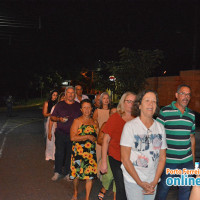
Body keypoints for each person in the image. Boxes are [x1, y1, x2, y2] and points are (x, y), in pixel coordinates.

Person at [120, 90, 167, 200]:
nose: (151, 104)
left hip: (152, 181)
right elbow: (125, 159)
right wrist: (140, 183)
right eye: (147, 101)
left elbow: (162, 158)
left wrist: (155, 181)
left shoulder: (160, 128)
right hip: (133, 180)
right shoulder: (130, 127)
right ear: (139, 105)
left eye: (154, 101)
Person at [155, 84, 195, 200]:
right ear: (176, 95)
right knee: (163, 188)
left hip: (186, 161)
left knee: (185, 189)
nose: (186, 97)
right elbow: (157, 135)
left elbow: (191, 137)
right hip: (169, 160)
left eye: (188, 94)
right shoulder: (165, 111)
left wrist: (192, 159)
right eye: (183, 93)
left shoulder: (191, 115)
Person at [100, 92, 136, 200]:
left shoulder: (138, 119)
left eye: (133, 102)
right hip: (116, 158)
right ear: (123, 102)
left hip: (132, 160)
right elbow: (105, 140)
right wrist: (103, 162)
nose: (131, 104)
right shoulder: (115, 117)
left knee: (130, 187)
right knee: (121, 187)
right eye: (128, 101)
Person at [50, 86, 82, 181]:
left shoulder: (78, 105)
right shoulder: (59, 104)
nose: (71, 94)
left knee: (70, 154)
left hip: (73, 135)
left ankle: (68, 172)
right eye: (69, 92)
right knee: (59, 153)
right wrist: (59, 119)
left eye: (72, 93)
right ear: (65, 94)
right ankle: (57, 172)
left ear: (75, 94)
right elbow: (52, 117)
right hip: (60, 133)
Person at [70, 99, 98, 200]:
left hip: (90, 153)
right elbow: (72, 138)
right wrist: (87, 137)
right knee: (76, 176)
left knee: (89, 177)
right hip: (78, 152)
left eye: (89, 107)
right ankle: (76, 192)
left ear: (92, 109)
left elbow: (96, 136)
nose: (87, 110)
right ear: (81, 109)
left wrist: (95, 138)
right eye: (84, 107)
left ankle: (87, 197)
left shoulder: (94, 122)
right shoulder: (77, 121)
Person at [97, 107, 117, 200]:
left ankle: (115, 197)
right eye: (112, 113)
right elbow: (99, 140)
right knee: (108, 176)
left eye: (116, 113)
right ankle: (104, 188)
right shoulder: (106, 124)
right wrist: (109, 142)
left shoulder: (123, 125)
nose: (114, 115)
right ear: (109, 115)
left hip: (120, 155)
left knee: (118, 178)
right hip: (109, 154)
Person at [93, 92, 111, 177]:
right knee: (98, 155)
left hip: (109, 138)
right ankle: (96, 174)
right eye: (104, 98)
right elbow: (93, 123)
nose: (106, 100)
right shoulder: (97, 111)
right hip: (99, 137)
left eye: (107, 98)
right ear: (101, 100)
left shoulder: (112, 111)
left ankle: (104, 175)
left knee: (107, 157)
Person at [45, 92, 65, 161]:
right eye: (62, 98)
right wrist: (49, 132)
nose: (64, 100)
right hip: (54, 127)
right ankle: (51, 156)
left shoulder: (67, 108)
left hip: (62, 129)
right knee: (52, 142)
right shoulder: (55, 107)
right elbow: (51, 120)